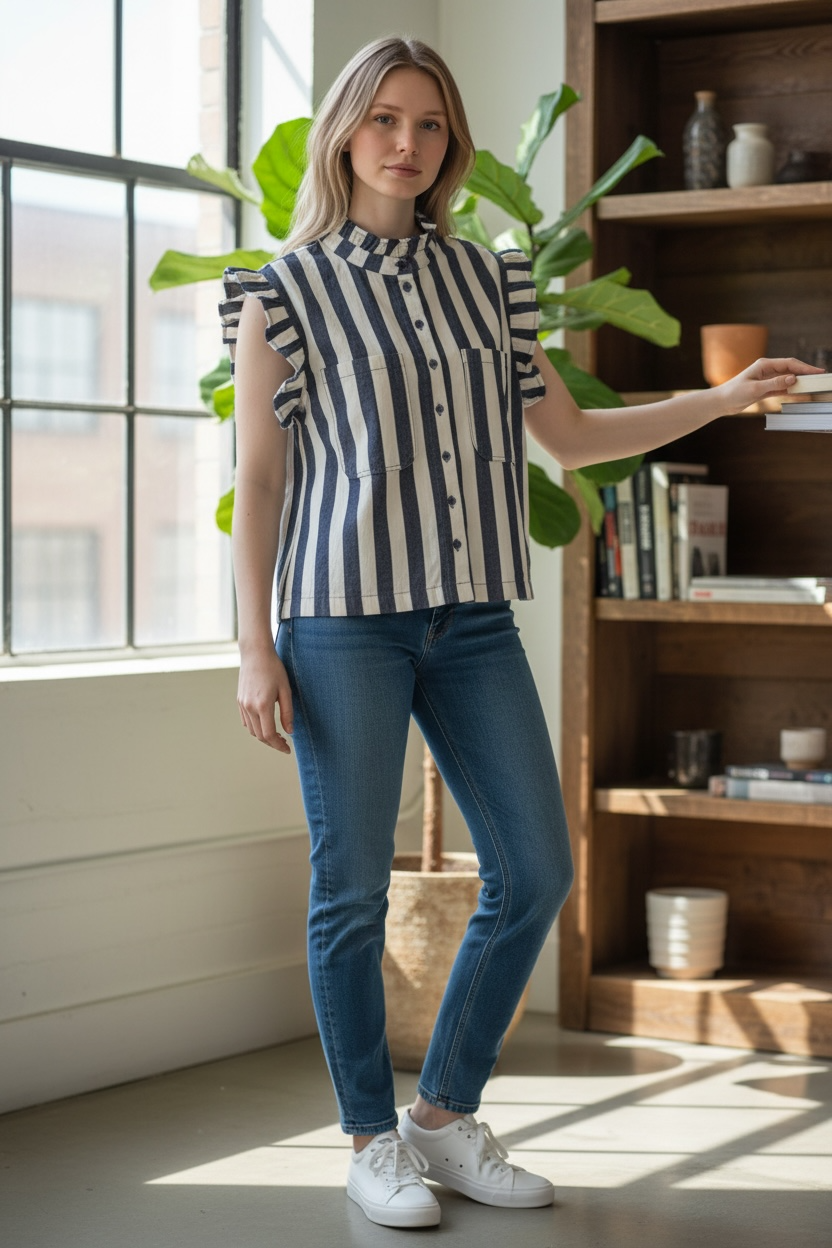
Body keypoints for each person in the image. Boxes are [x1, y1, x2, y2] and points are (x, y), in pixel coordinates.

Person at [219, 35, 820, 1231]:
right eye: (384, 119)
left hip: (473, 616)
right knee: (345, 891)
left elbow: (571, 438)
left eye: (429, 124)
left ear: (452, 143)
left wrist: (718, 397)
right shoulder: (281, 292)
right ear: (345, 131)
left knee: (535, 869)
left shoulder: (486, 278)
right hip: (342, 621)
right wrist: (252, 644)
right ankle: (366, 1140)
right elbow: (261, 485)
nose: (406, 143)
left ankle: (440, 1118)